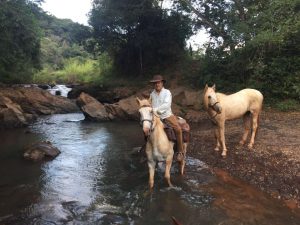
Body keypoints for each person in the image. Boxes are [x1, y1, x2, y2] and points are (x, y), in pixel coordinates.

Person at [149, 74, 184, 162]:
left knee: (178, 129)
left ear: (162, 83)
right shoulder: (152, 94)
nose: (157, 84)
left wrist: (155, 110)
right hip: (155, 117)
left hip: (167, 116)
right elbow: (150, 105)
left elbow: (166, 105)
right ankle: (148, 149)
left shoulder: (167, 92)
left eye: (159, 82)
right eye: (155, 83)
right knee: (146, 128)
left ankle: (180, 152)